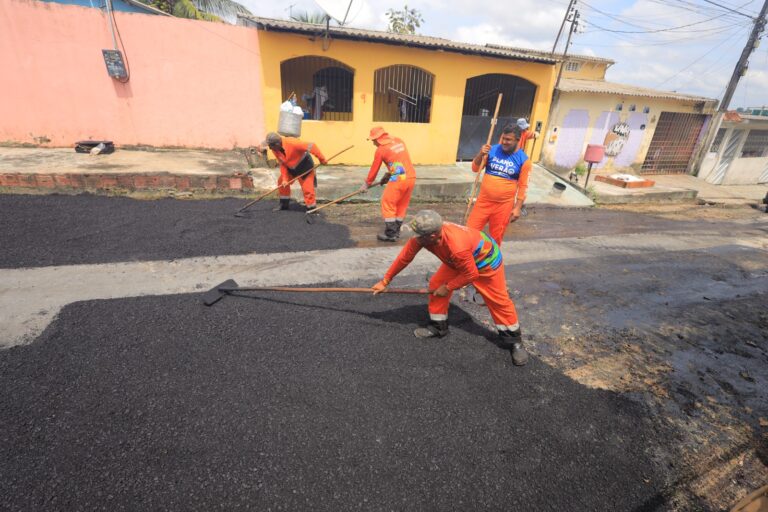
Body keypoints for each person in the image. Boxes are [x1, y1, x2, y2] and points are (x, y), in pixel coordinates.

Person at [371, 210, 528, 366]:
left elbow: (471, 274)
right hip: (458, 261)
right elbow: (405, 258)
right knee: (435, 285)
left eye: (417, 235)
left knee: (498, 300)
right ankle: (438, 327)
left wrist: (448, 287)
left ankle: (514, 341)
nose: (414, 238)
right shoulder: (422, 237)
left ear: (432, 236)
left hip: (486, 261)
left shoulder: (456, 245)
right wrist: (385, 281)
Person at [467, 124, 532, 245]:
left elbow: (523, 186)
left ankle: (491, 263)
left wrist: (517, 207)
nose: (504, 142)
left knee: (495, 239)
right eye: (503, 138)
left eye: (508, 140)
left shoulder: (524, 161)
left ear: (518, 140)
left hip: (503, 206)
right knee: (469, 232)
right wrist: (481, 154)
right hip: (483, 201)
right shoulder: (492, 150)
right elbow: (475, 168)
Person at [359, 126, 416, 242]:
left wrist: (366, 184)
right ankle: (396, 231)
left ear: (378, 139)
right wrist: (388, 175)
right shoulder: (399, 140)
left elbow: (374, 170)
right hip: (411, 176)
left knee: (387, 202)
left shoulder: (381, 150)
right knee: (401, 204)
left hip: (399, 177)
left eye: (373, 140)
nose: (373, 143)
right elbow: (399, 161)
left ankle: (390, 234)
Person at [262, 132, 328, 211]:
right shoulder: (275, 150)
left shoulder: (293, 143)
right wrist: (285, 179)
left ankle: (311, 208)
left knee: (308, 188)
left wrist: (322, 159)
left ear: (276, 144)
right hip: (291, 169)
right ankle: (284, 205)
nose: (269, 148)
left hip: (305, 167)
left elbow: (312, 146)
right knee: (282, 182)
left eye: (270, 146)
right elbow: (283, 164)